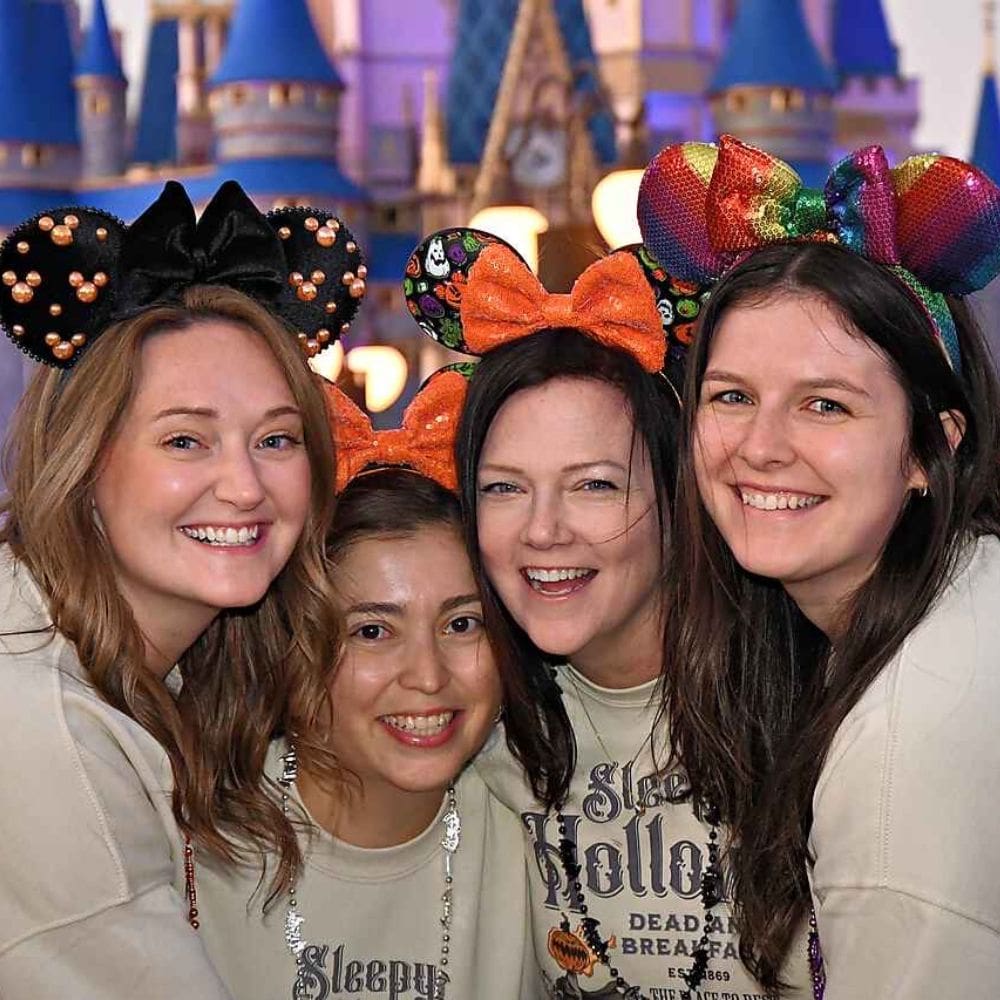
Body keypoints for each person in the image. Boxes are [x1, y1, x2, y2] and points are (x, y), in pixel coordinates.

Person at [403, 228, 811, 997]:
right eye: (503, 488)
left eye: (594, 485)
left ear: (677, 495)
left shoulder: (812, 695)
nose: (543, 530)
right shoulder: (476, 736)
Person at [639, 134, 1000, 998]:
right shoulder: (952, 595)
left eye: (825, 405)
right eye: (732, 397)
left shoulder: (903, 755)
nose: (761, 448)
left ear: (929, 448)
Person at [0, 180, 367, 998]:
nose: (243, 486)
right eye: (185, 440)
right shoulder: (43, 734)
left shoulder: (136, 675)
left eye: (276, 438)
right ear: (85, 461)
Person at [195, 372, 540, 1000]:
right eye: (373, 631)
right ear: (293, 645)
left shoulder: (539, 822)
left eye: (462, 624)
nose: (429, 675)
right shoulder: (193, 829)